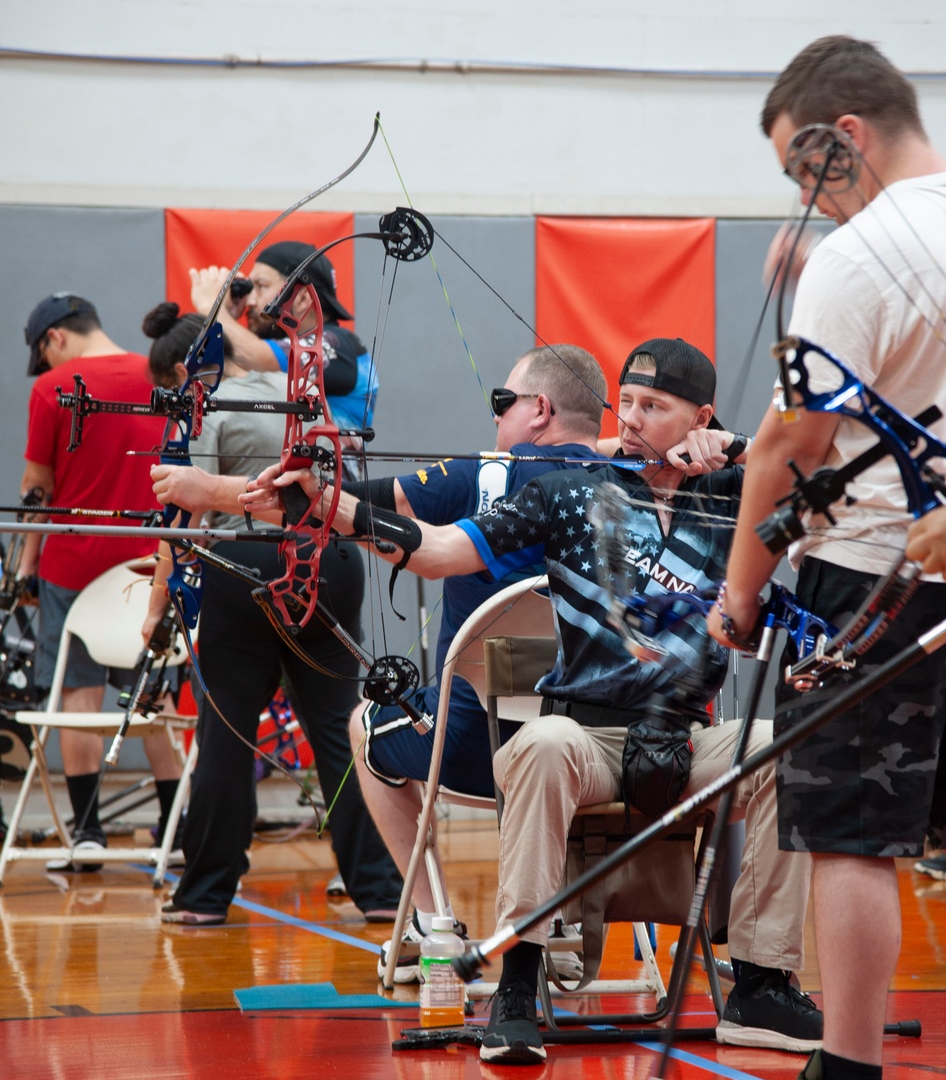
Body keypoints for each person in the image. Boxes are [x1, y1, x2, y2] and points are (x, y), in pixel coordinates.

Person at [243, 337, 818, 1066]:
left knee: (780, 744)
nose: (635, 420)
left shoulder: (738, 495)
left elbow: (833, 500)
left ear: (699, 417)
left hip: (685, 737)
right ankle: (518, 980)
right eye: (629, 403)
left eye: (657, 407)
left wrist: (741, 450)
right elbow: (439, 548)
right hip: (586, 738)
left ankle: (763, 985)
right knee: (540, 746)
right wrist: (329, 503)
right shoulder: (568, 491)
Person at [701, 35, 946, 1080]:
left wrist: (741, 593)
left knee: (850, 837)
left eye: (802, 170)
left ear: (848, 136)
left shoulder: (858, 249)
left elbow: (792, 437)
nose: (805, 198)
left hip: (875, 573)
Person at [341, 344, 609, 981]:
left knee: (363, 726)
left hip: (469, 754)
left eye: (503, 402)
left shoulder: (483, 478)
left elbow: (353, 503)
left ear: (539, 410)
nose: (495, 419)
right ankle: (560, 919)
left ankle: (433, 923)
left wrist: (216, 492)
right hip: (598, 755)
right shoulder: (637, 488)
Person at [140, 303, 402, 924]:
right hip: (332, 562)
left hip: (249, 566)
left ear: (190, 368)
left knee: (227, 734)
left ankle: (204, 897)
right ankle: (382, 891)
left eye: (174, 386)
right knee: (344, 733)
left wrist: (156, 607)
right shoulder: (309, 395)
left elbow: (185, 510)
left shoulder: (207, 404)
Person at [19, 293, 183, 868]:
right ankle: (174, 829)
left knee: (77, 696)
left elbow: (37, 490)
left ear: (55, 338)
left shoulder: (53, 386)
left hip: (73, 568)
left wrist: (24, 569)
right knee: (151, 700)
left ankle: (87, 833)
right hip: (147, 570)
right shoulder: (161, 374)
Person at [189, 241, 376, 478]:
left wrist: (211, 307)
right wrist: (227, 320)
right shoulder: (279, 347)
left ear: (301, 298)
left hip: (332, 503)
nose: (250, 301)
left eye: (261, 286)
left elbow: (256, 357)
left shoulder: (341, 346)